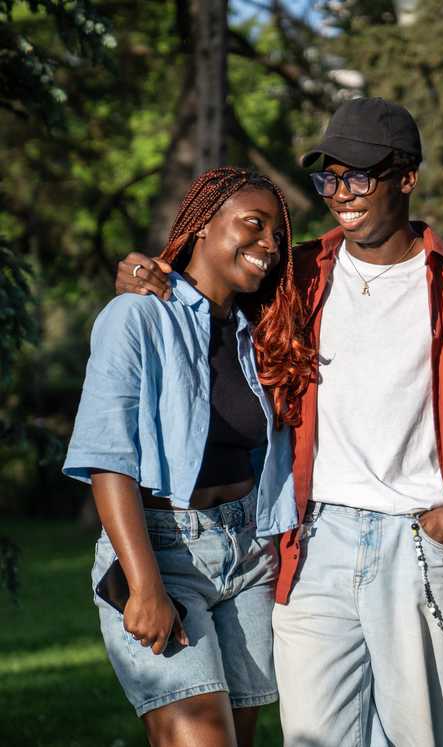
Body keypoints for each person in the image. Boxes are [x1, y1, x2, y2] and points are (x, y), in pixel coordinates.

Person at [116, 97, 443, 747]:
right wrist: (141, 272)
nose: (340, 193)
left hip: (417, 540)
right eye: (330, 178)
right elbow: (206, 289)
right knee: (310, 737)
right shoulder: (298, 273)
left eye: (360, 176)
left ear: (407, 177)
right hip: (311, 540)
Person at [64, 167, 313, 746]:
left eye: (278, 235)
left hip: (248, 555)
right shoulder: (136, 315)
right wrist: (143, 583)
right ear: (202, 223)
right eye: (254, 224)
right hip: (163, 552)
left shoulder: (256, 332)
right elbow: (108, 459)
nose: (269, 245)